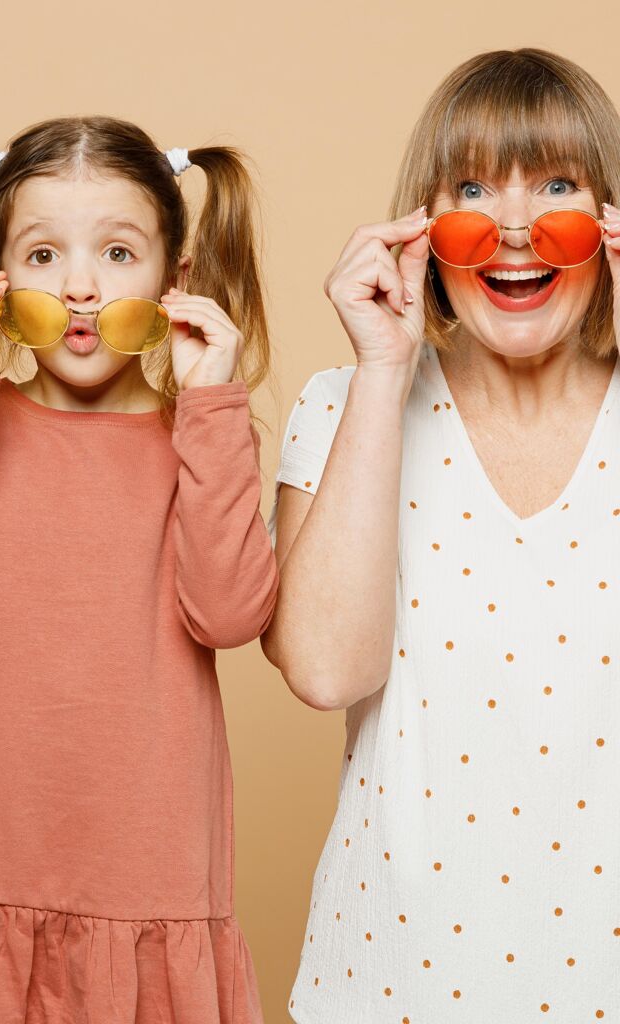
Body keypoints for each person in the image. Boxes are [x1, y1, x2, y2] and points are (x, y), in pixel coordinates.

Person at [0, 117, 278, 1023]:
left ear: (174, 279)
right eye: (42, 255)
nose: (79, 287)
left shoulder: (198, 434)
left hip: (145, 879)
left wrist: (214, 402)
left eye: (118, 252)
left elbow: (230, 613)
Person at [263, 48, 620, 1022]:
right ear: (422, 230)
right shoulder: (343, 405)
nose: (512, 228)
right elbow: (325, 671)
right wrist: (383, 366)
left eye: (556, 185)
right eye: (472, 188)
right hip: (390, 987)